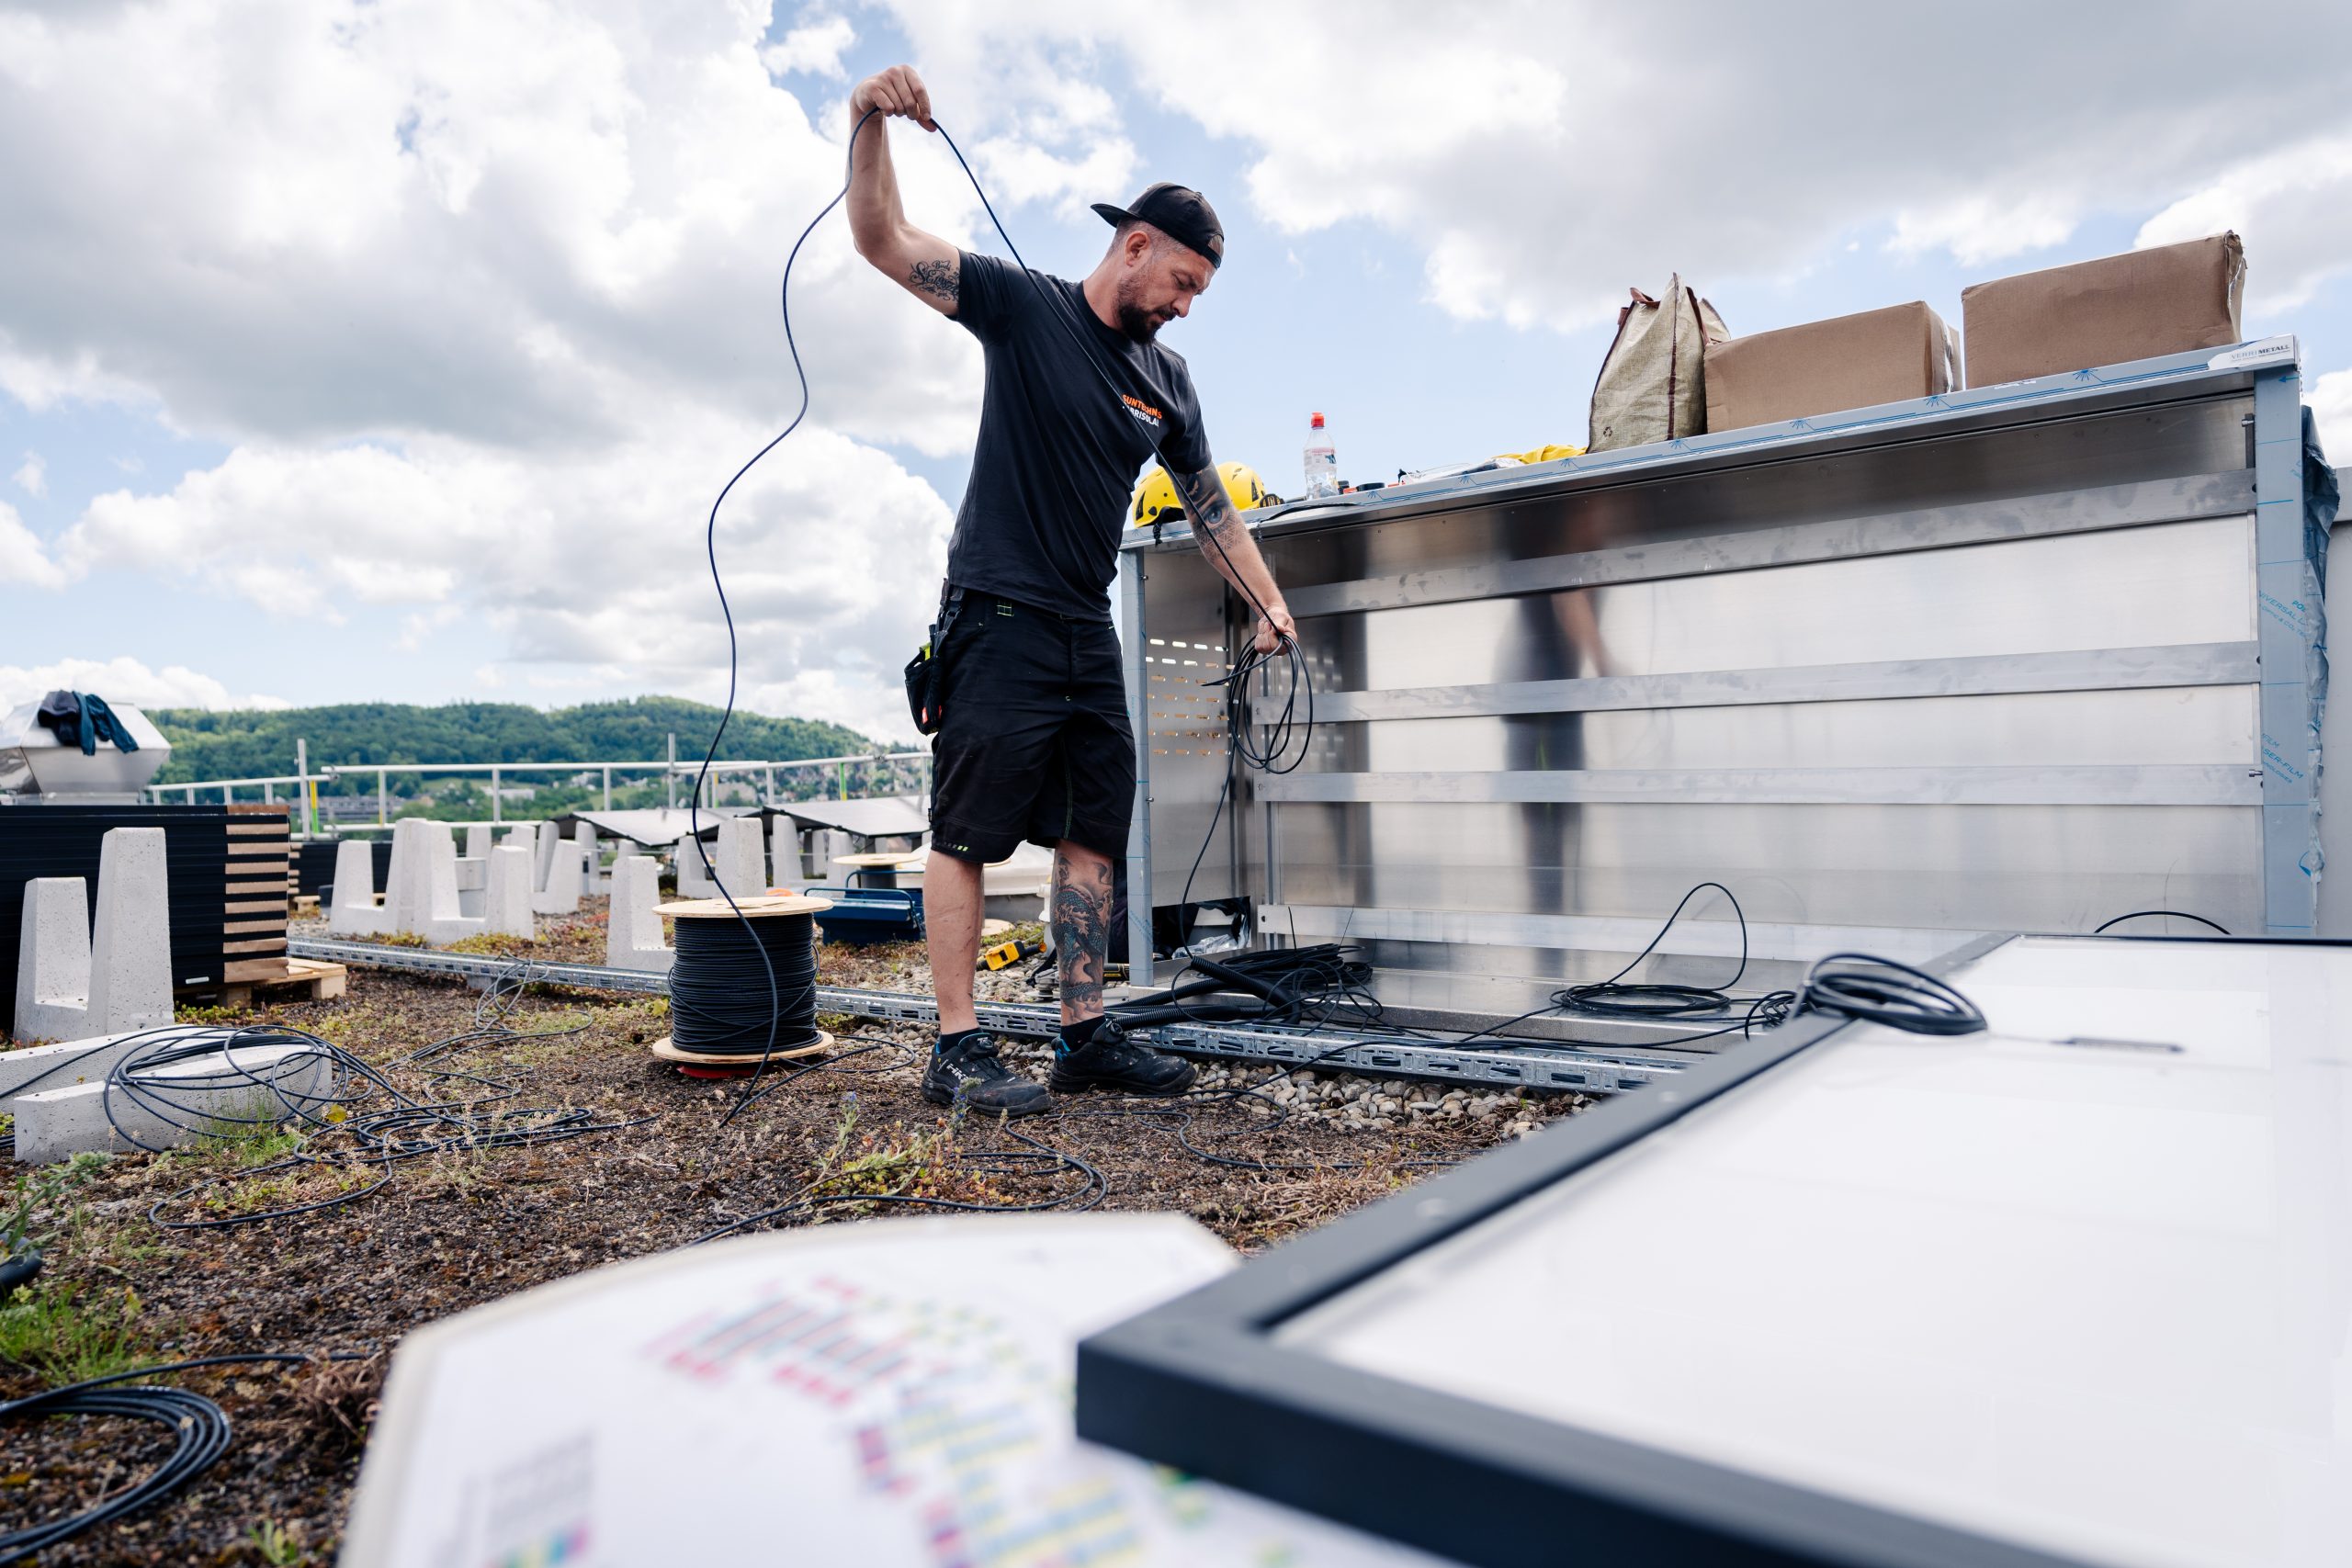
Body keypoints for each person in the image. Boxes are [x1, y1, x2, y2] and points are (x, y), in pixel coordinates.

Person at [846, 63, 1296, 1117]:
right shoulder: (1017, 307)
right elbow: (881, 239)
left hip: (1082, 625)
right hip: (994, 613)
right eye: (1181, 284)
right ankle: (956, 1048)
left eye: (1197, 295)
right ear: (1134, 244)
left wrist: (1268, 605)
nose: (1184, 309)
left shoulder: (1169, 384)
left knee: (1097, 825)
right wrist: (867, 120)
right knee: (968, 830)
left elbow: (1209, 510)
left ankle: (1081, 1035)